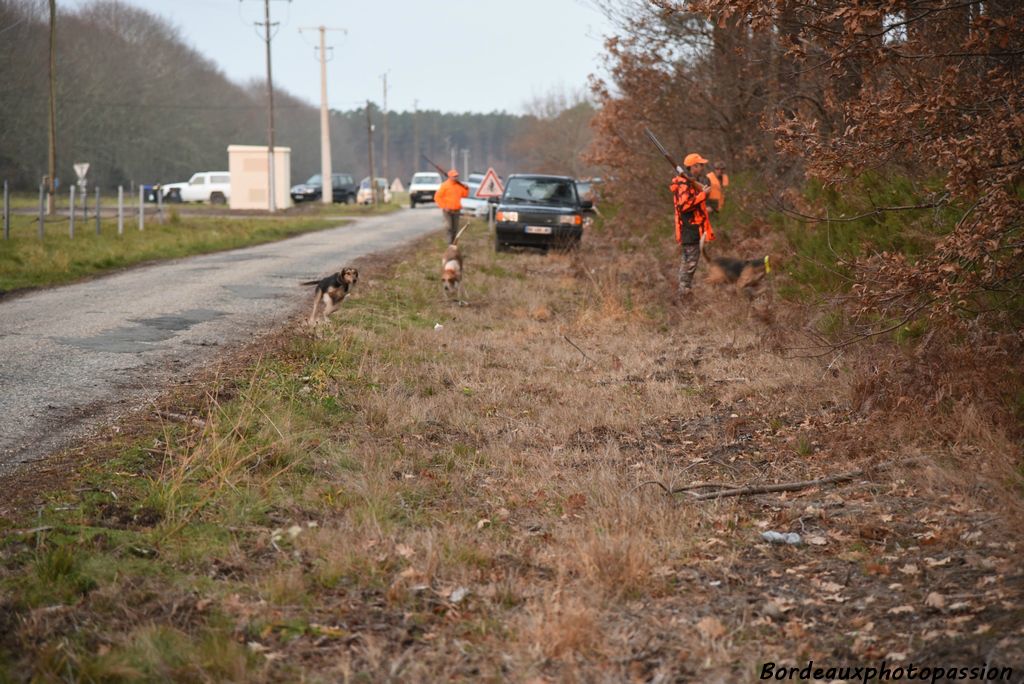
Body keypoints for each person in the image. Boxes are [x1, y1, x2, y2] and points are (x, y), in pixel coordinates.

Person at [670, 153, 715, 299]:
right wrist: (702, 195)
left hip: (692, 228)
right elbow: (684, 206)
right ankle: (684, 296)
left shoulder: (691, 182)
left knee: (688, 263)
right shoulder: (684, 184)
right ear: (693, 167)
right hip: (690, 229)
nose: (702, 167)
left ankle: (683, 293)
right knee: (689, 264)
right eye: (700, 165)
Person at [433, 169, 469, 244]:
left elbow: (465, 195)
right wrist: (444, 206)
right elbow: (437, 197)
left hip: (456, 210)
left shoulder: (459, 186)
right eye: (454, 176)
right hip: (447, 211)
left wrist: (466, 188)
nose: (456, 177)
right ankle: (449, 243)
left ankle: (454, 243)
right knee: (449, 227)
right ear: (450, 177)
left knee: (455, 229)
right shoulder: (444, 185)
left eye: (456, 176)